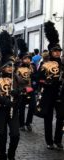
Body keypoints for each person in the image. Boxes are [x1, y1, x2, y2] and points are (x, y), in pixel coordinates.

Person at [0, 30, 20, 160]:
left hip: (14, 110)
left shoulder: (16, 79)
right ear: (3, 67)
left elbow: (23, 91)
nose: (10, 69)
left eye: (12, 66)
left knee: (15, 135)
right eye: (8, 66)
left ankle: (11, 154)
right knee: (1, 135)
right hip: (1, 110)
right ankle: (2, 155)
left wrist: (17, 92)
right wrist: (4, 100)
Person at [37, 21, 63, 150]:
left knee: (61, 117)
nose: (58, 53)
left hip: (61, 94)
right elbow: (37, 79)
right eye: (55, 51)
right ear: (51, 52)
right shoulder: (45, 64)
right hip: (48, 94)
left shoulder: (63, 64)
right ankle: (49, 141)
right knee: (48, 118)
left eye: (59, 51)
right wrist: (46, 82)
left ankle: (58, 140)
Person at [16, 39, 36, 132]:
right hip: (22, 89)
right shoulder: (18, 68)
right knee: (22, 107)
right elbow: (17, 79)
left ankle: (28, 122)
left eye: (28, 58)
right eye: (25, 58)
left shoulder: (33, 67)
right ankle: (21, 124)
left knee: (32, 106)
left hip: (31, 90)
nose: (27, 60)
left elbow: (35, 77)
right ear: (22, 59)